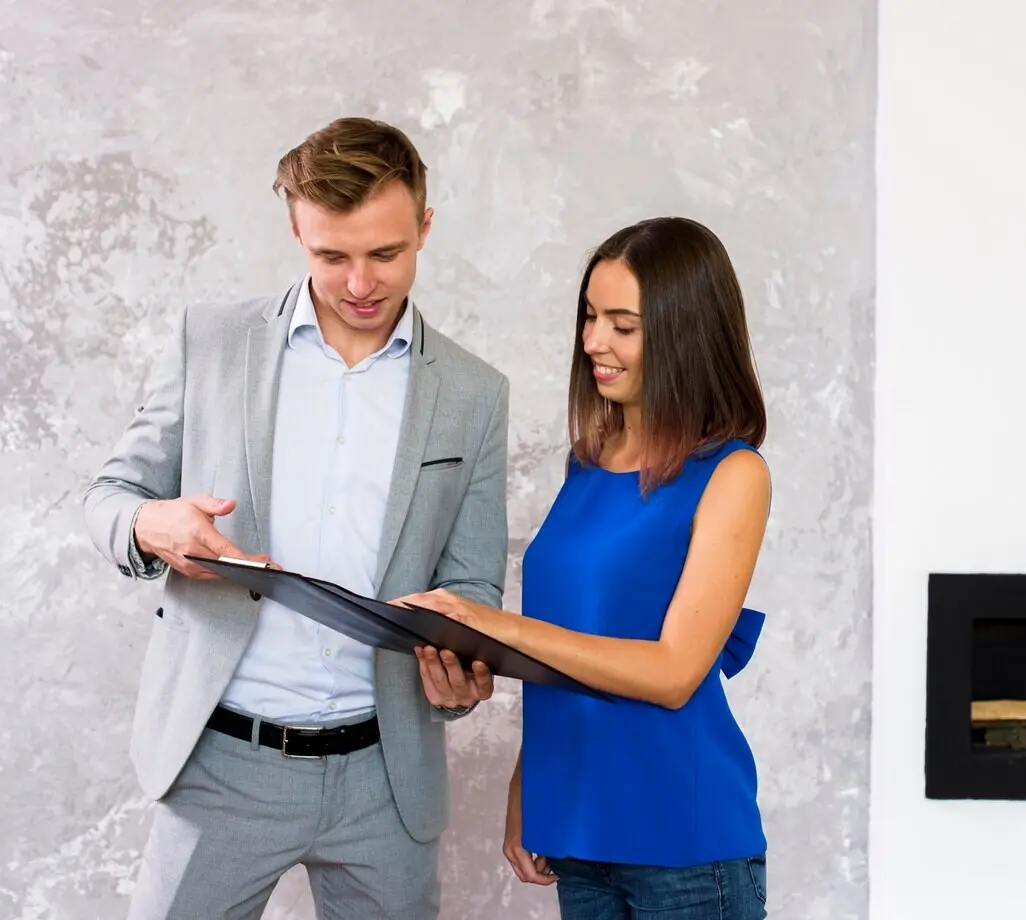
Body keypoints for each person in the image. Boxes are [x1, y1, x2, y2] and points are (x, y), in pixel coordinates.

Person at [82, 116, 505, 919]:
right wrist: (154, 526)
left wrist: (459, 675)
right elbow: (108, 497)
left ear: (425, 226)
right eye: (330, 255)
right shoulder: (209, 341)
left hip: (388, 782)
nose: (359, 283)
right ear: (294, 229)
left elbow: (472, 583)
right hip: (220, 763)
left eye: (386, 254)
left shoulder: (476, 394)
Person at [399, 216, 771, 919]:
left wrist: (494, 626)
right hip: (579, 830)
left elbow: (671, 672)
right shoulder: (587, 462)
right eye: (591, 317)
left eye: (622, 325)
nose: (593, 341)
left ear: (685, 332)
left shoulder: (734, 474)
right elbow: (567, 643)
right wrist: (527, 788)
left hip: (685, 844)